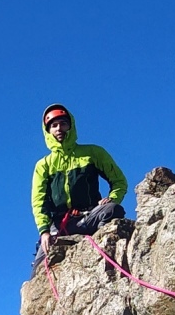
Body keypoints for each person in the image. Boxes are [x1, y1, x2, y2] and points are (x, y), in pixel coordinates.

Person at [32, 102, 128, 263]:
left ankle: (103, 247)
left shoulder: (93, 153)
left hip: (89, 216)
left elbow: (119, 181)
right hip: (60, 225)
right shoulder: (43, 165)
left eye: (63, 123)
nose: (59, 128)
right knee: (39, 268)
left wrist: (112, 198)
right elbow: (38, 202)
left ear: (71, 126)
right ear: (47, 131)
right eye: (54, 125)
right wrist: (44, 231)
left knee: (112, 209)